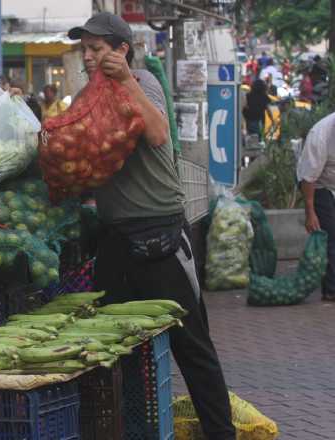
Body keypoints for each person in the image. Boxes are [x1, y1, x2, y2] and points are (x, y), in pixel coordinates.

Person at [67, 12, 235, 440]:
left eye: (96, 48)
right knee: (114, 349)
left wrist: (123, 80)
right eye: (83, 49)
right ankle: (136, 430)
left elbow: (159, 134)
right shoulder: (84, 99)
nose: (87, 57)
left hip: (161, 236)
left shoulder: (143, 82)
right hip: (115, 242)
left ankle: (221, 433)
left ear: (122, 50)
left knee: (191, 347)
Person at [296, 111, 335, 301]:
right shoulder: (320, 135)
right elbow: (309, 178)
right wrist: (310, 212)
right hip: (318, 184)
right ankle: (331, 289)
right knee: (330, 234)